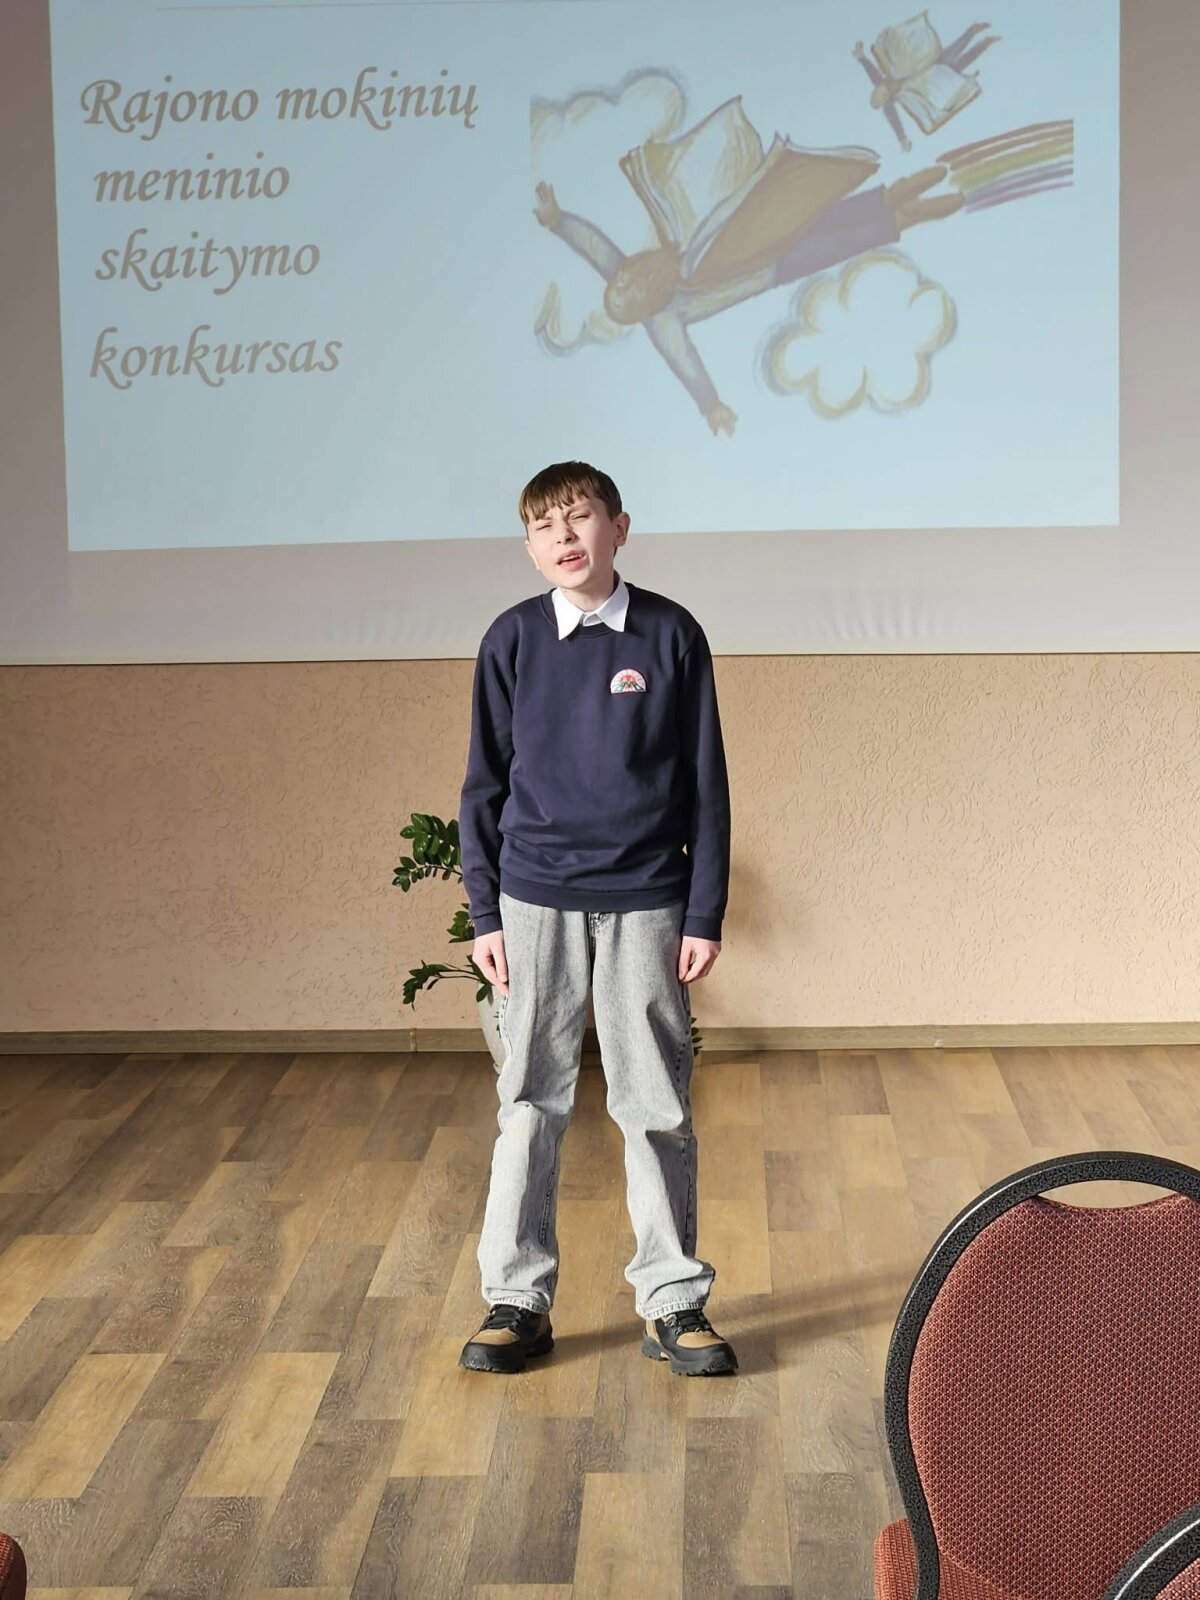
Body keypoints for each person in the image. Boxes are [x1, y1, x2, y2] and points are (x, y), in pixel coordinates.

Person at [456, 460, 737, 1378]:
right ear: (530, 547)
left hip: (648, 899)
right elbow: (483, 787)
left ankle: (673, 1300)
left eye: (580, 518)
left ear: (620, 527)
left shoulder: (671, 633)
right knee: (530, 1100)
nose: (565, 537)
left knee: (655, 1103)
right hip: (534, 899)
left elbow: (706, 785)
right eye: (545, 527)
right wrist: (485, 911)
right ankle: (516, 1300)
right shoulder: (511, 640)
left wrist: (703, 911)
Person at [535, 164, 961, 434]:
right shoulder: (664, 319)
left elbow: (592, 245)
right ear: (644, 310)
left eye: (619, 285)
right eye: (629, 299)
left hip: (756, 231)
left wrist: (557, 220)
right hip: (774, 265)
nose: (627, 285)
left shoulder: (632, 264)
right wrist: (711, 405)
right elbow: (684, 361)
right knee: (838, 240)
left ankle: (895, 194)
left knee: (826, 214)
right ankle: (907, 214)